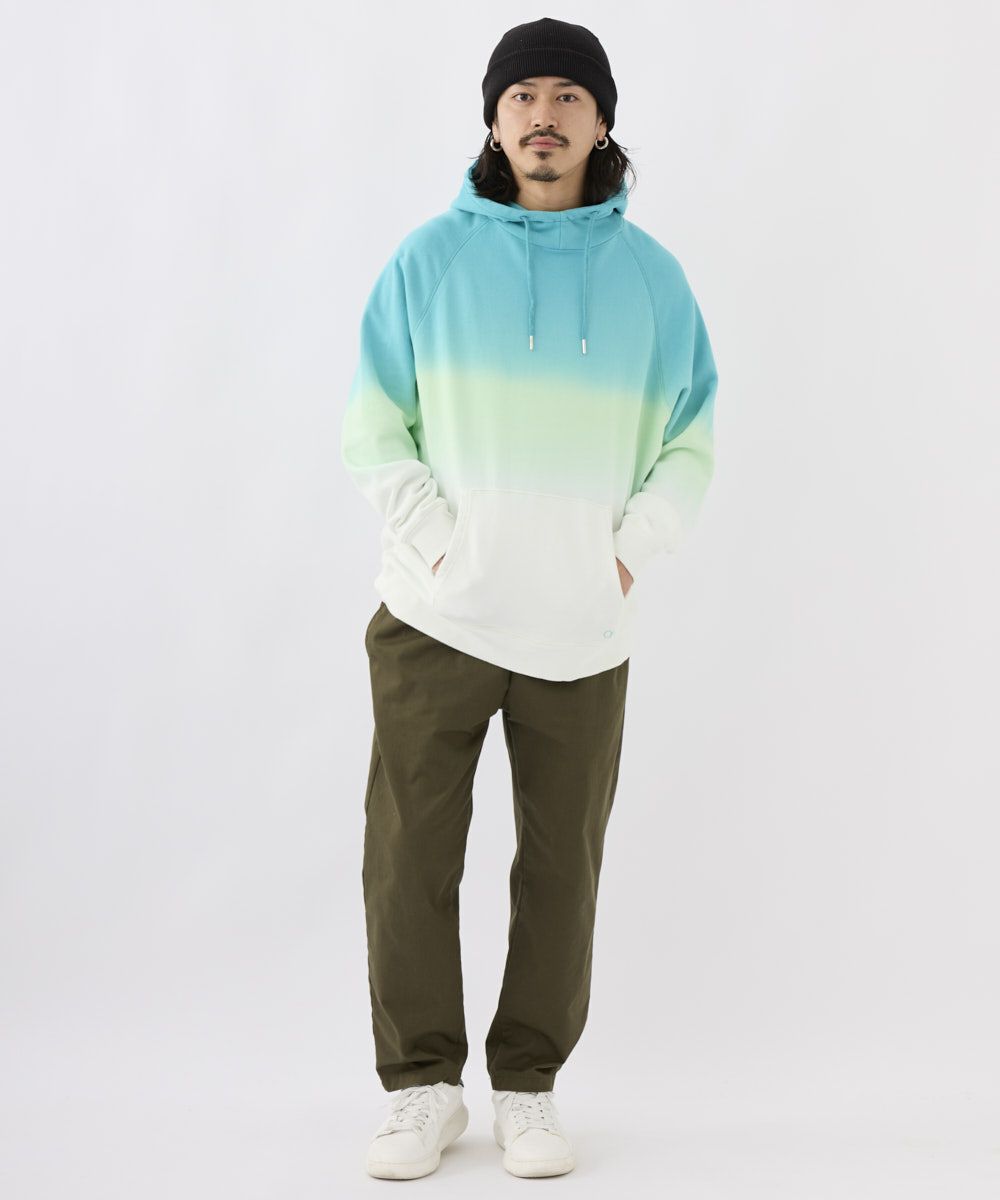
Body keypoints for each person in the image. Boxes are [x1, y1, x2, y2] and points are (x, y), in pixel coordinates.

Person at [341, 17, 719, 1180]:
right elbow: (373, 425)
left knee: (562, 867)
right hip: (435, 618)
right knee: (409, 857)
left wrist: (626, 553)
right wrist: (439, 547)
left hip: (582, 628)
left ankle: (527, 1087)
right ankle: (420, 1088)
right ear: (494, 120)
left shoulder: (653, 282)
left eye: (566, 96)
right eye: (522, 96)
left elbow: (691, 439)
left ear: (601, 123)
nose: (542, 116)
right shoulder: (428, 261)